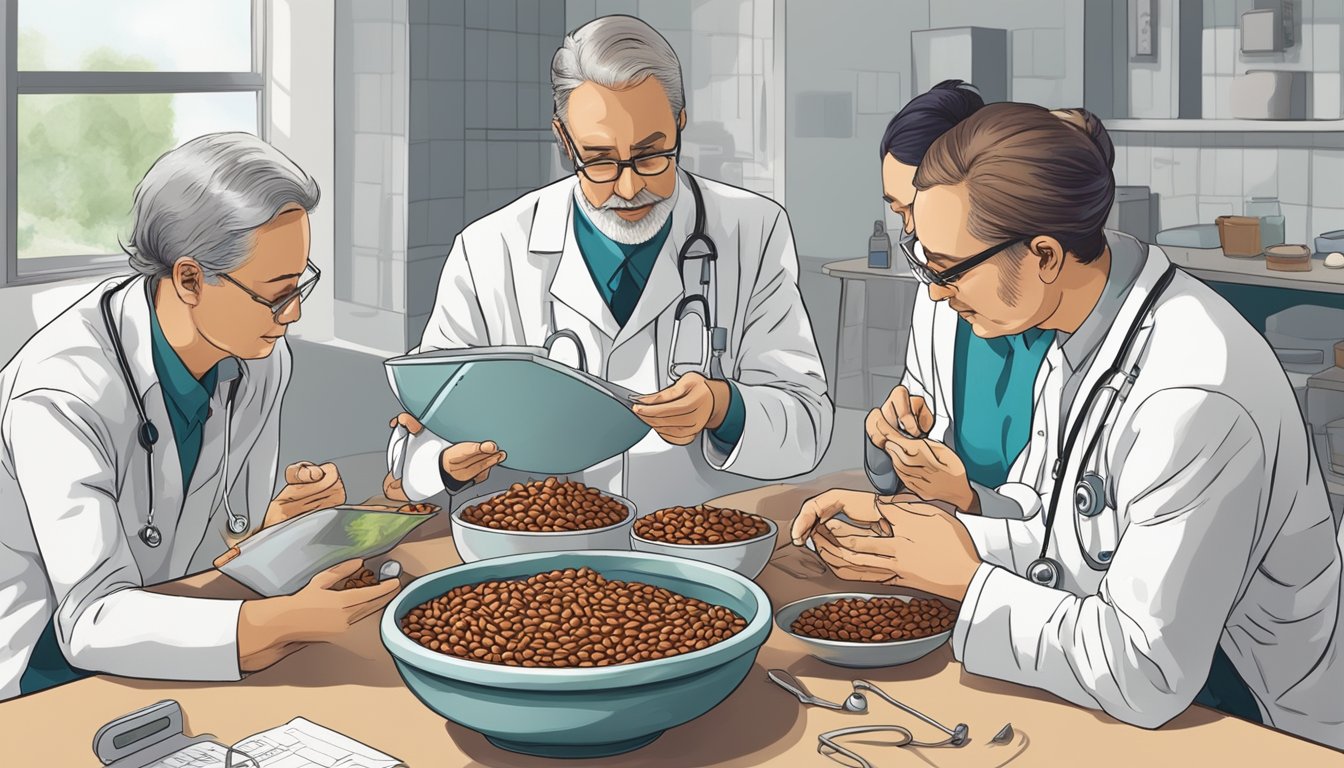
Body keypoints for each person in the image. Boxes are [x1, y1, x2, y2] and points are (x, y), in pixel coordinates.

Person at [791, 103, 1344, 749]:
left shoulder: (1194, 392)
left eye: (950, 268)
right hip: (1159, 693)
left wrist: (965, 578)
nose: (935, 294)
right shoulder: (1078, 335)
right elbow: (1061, 533)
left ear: (1045, 255)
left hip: (1249, 719)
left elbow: (1147, 669)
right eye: (925, 262)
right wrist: (922, 531)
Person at [0, 133, 400, 700]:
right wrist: (281, 621)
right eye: (275, 294)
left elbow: (204, 545)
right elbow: (90, 621)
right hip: (41, 679)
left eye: (300, 282)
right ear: (189, 278)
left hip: (184, 631)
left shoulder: (259, 358)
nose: (294, 313)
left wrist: (274, 523)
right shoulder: (63, 393)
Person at [384, 15, 832, 513]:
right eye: (598, 159)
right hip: (541, 552)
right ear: (562, 136)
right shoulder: (489, 249)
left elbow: (807, 424)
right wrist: (446, 462)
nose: (628, 187)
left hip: (697, 547)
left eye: (651, 155)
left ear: (680, 123)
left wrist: (721, 407)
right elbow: (417, 434)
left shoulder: (752, 229)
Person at [863, 80, 1055, 502]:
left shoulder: (1061, 317)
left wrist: (970, 503)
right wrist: (890, 442)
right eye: (900, 211)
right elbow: (922, 412)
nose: (914, 233)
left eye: (919, 209)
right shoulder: (939, 288)